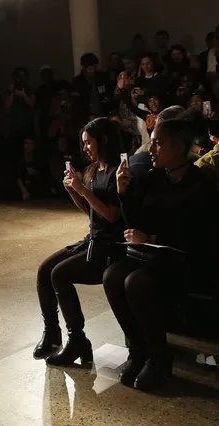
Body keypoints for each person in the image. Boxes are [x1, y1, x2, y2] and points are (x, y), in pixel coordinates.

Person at [104, 114, 219, 391]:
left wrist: (153, 237)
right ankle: (138, 350)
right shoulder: (154, 178)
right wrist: (123, 193)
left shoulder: (200, 184)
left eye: (158, 143)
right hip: (153, 257)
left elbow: (200, 238)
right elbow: (135, 224)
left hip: (187, 262)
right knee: (111, 276)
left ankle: (160, 357)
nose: (151, 149)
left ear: (179, 147)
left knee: (136, 281)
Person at [33, 118, 125, 365]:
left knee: (59, 274)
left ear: (103, 140)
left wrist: (83, 191)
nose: (84, 148)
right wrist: (74, 191)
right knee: (45, 270)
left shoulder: (118, 171)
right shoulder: (95, 170)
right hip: (93, 239)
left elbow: (112, 215)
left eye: (88, 142)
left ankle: (78, 340)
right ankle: (52, 334)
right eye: (83, 143)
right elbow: (91, 211)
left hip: (110, 247)